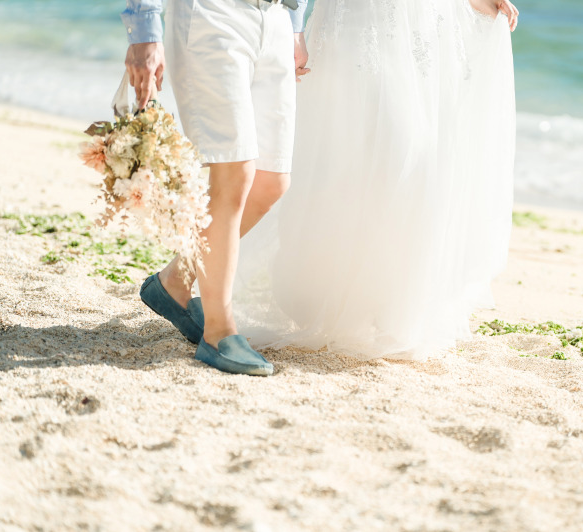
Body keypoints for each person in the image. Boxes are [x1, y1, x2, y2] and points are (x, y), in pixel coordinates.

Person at [231, 0, 519, 360]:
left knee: (418, 161)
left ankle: (393, 306)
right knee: (344, 164)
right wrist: (293, 27)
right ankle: (328, 297)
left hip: (423, 30)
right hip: (352, 25)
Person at [121, 0, 310, 375]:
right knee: (234, 172)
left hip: (273, 18)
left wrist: (293, 23)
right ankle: (218, 333)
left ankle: (176, 278)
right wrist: (144, 29)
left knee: (271, 180)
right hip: (210, 14)